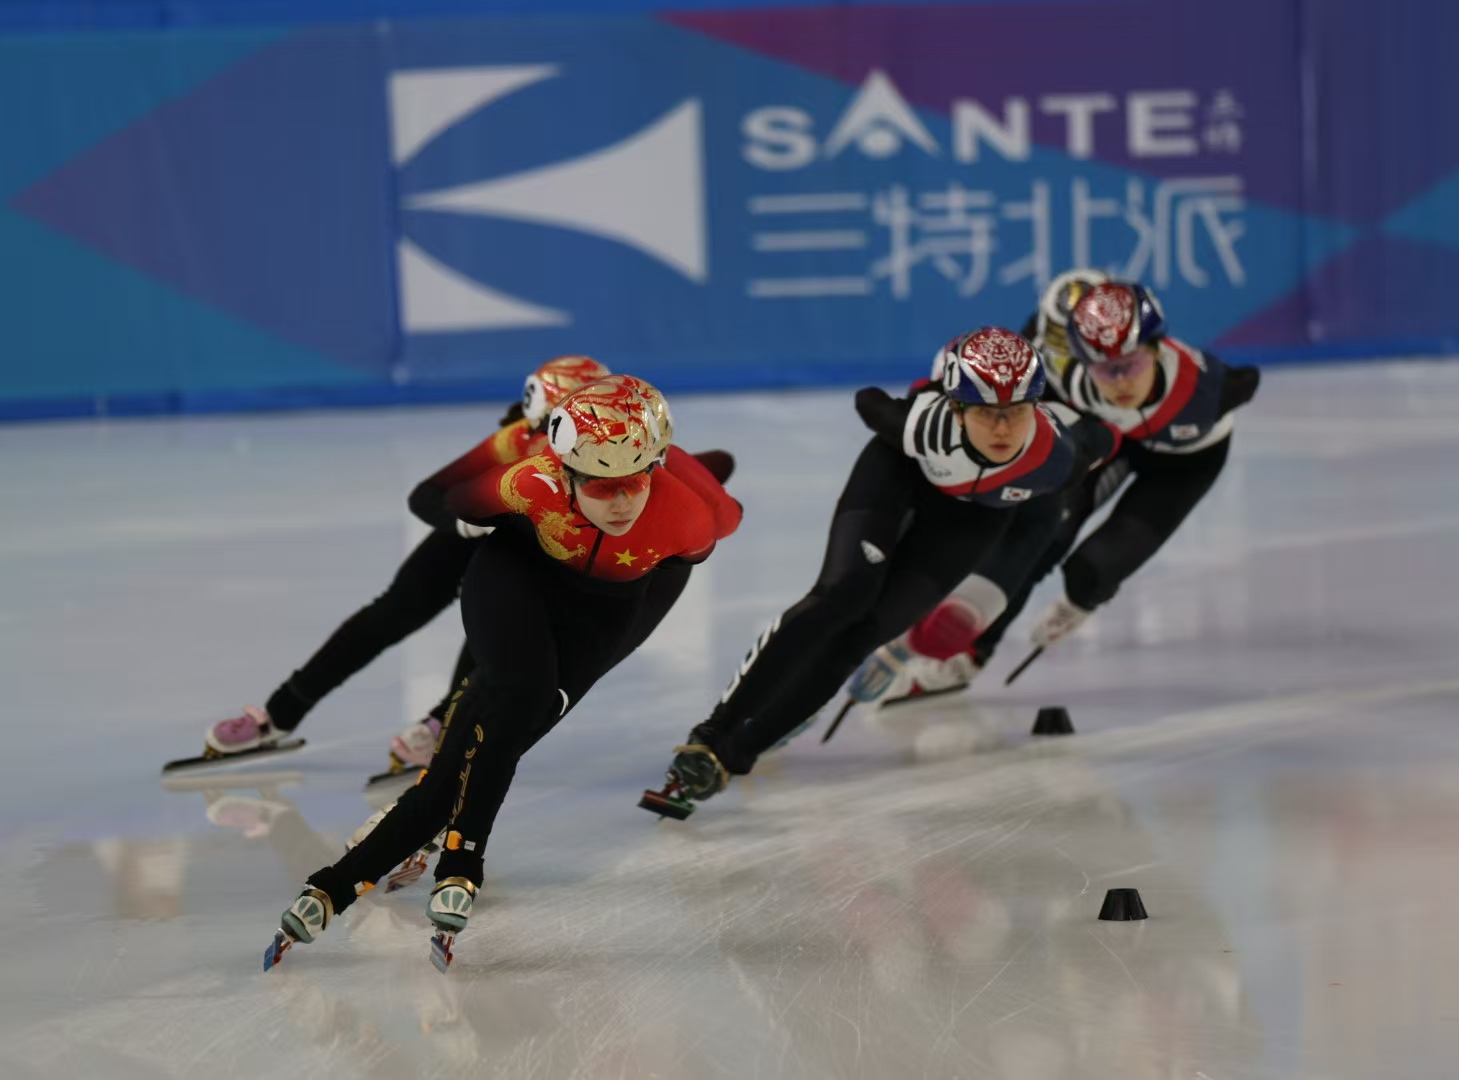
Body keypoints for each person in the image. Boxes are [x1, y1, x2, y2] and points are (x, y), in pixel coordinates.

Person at [269, 375, 741, 969]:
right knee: (517, 693)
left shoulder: (692, 521)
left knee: (516, 723)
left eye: (634, 480)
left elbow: (719, 508)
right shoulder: (524, 475)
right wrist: (475, 534)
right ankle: (460, 861)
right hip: (515, 575)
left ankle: (338, 884)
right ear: (564, 467)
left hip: (612, 605)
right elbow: (445, 501)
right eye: (598, 484)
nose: (619, 501)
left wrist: (691, 470)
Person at [639, 327, 1117, 819]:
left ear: (1036, 409)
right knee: (842, 596)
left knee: (862, 636)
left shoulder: (1056, 458)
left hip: (972, 518)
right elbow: (869, 402)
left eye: (1015, 412)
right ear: (956, 408)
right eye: (986, 413)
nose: (1002, 428)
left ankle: (729, 759)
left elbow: (1104, 437)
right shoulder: (922, 425)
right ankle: (713, 733)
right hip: (898, 474)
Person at [185, 357, 612, 773]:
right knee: (393, 611)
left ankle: (445, 724)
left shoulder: (608, 464)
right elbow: (426, 495)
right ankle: (281, 713)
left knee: (500, 628)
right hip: (482, 529)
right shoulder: (516, 439)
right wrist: (463, 526)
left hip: (530, 549)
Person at [878, 274, 1261, 698]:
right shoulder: (1064, 379)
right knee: (1045, 531)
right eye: (1100, 367)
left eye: (1129, 364)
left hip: (1184, 462)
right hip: (1107, 439)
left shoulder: (1208, 390)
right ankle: (971, 651)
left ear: (1156, 348)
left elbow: (1249, 380)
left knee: (1094, 572)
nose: (1118, 382)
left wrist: (1084, 601)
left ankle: (1081, 591)